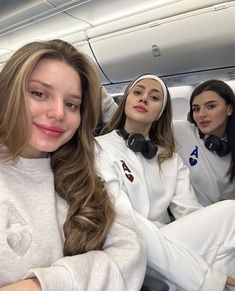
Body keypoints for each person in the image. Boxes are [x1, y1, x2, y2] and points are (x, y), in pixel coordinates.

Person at [0, 39, 146, 291]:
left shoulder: (84, 173)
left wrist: (43, 285)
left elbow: (130, 251)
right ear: (7, 94)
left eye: (71, 104)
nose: (58, 113)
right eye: (39, 93)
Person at [95, 73, 235, 291]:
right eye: (138, 92)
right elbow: (126, 221)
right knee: (231, 213)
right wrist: (203, 275)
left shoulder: (170, 157)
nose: (144, 99)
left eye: (154, 97)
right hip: (127, 247)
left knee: (226, 250)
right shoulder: (98, 148)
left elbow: (190, 213)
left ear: (160, 112)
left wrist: (208, 250)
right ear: (125, 101)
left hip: (167, 244)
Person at [173, 79, 235, 206]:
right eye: (196, 109)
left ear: (229, 109)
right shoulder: (181, 131)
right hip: (192, 216)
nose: (201, 114)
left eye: (211, 106)